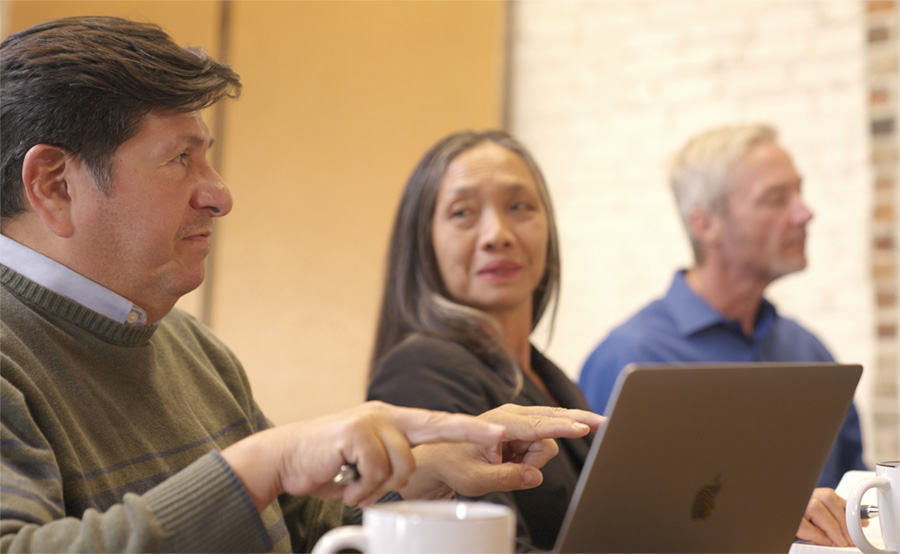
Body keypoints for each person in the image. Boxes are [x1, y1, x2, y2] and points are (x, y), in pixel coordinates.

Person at [0, 16, 606, 553]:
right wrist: (269, 459)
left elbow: (300, 530)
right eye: (181, 159)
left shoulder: (191, 346)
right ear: (54, 185)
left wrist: (430, 471)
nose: (219, 194)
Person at [578, 123, 867, 547]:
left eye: (799, 192)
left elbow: (859, 503)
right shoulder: (628, 359)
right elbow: (606, 536)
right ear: (706, 224)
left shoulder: (809, 350)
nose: (805, 213)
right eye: (776, 199)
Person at [366, 130, 593, 551]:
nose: (496, 235)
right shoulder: (420, 369)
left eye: (519, 207)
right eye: (462, 213)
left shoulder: (548, 375)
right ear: (424, 242)